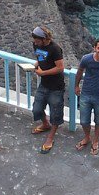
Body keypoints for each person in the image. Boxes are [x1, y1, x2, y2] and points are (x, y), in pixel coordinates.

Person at [29, 25, 65, 153]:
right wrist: (36, 64)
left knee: (55, 113)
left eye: (37, 41)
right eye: (34, 40)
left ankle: (50, 137)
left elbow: (60, 68)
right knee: (37, 109)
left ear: (44, 39)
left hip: (56, 87)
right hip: (44, 84)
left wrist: (43, 73)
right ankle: (45, 124)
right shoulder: (36, 45)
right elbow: (40, 58)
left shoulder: (55, 49)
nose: (35, 43)